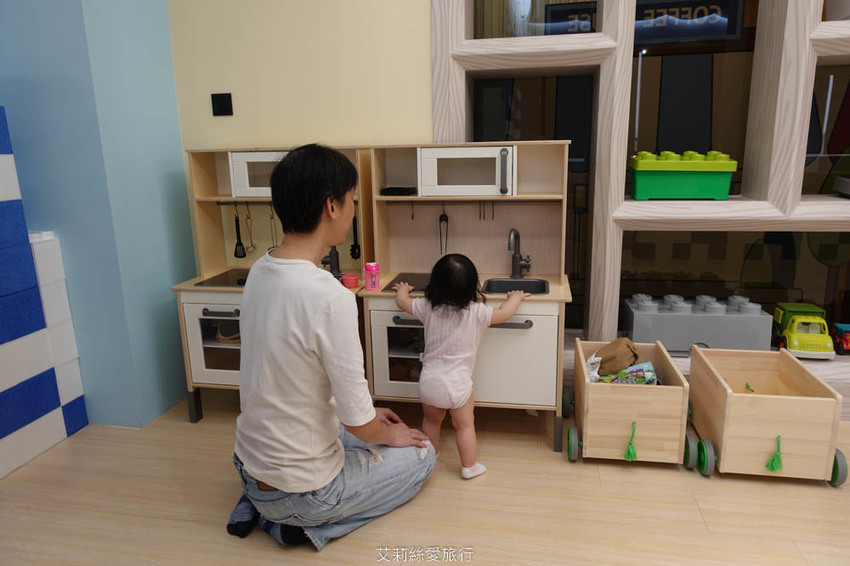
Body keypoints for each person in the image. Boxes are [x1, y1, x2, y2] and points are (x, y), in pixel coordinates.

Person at [228, 144, 436, 551]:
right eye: (352, 199)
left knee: (360, 430)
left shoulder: (260, 270)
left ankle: (257, 504)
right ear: (331, 206)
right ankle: (297, 526)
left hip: (249, 465)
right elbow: (360, 426)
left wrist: (367, 418)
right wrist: (384, 434)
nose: (354, 209)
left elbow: (300, 378)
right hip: (302, 492)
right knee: (421, 455)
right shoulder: (330, 296)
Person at [393, 254, 529, 479]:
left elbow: (402, 302)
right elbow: (505, 313)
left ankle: (430, 458)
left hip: (430, 382)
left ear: (435, 285)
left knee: (431, 421)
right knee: (465, 427)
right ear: (472, 287)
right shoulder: (477, 312)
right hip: (459, 386)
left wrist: (403, 290)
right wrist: (515, 297)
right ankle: (469, 466)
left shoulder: (427, 308)